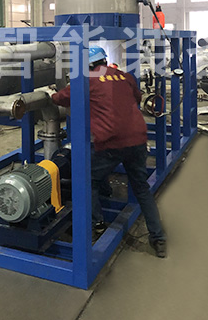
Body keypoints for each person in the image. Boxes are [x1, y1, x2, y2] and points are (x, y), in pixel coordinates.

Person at [50, 46, 167, 258]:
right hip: (138, 139)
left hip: (111, 142)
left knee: (88, 180)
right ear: (104, 60)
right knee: (141, 188)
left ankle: (97, 224)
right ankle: (158, 238)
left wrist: (51, 94)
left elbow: (59, 99)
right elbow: (137, 98)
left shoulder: (86, 80)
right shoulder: (124, 76)